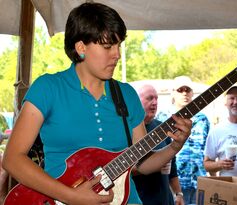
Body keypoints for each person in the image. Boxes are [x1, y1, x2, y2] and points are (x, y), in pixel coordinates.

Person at [2, 2, 192, 205]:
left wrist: (174, 147)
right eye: (108, 46)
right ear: (81, 47)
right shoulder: (48, 88)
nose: (117, 54)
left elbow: (141, 163)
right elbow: (13, 159)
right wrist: (72, 196)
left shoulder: (126, 95)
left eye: (119, 45)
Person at [157, 76, 210, 205]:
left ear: (192, 93)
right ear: (173, 93)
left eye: (188, 90)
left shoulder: (203, 119)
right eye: (180, 90)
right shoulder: (163, 117)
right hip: (174, 181)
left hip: (198, 181)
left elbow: (206, 149)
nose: (184, 93)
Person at [133, 84, 184, 205]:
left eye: (156, 98)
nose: (155, 102)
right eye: (150, 98)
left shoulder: (163, 127)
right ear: (136, 101)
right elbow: (122, 170)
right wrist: (155, 163)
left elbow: (173, 168)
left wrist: (179, 194)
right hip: (140, 200)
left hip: (166, 200)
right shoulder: (128, 130)